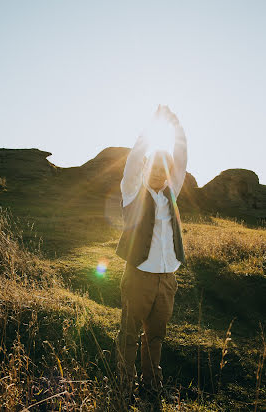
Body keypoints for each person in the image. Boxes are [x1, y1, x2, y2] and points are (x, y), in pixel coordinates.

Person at [115, 104, 188, 405]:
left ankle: (150, 387)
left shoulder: (172, 195)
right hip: (139, 278)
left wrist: (176, 126)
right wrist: (149, 129)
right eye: (154, 167)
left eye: (164, 169)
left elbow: (181, 162)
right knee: (129, 335)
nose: (159, 172)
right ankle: (122, 387)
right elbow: (132, 163)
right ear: (146, 169)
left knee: (155, 339)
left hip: (167, 280)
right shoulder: (132, 193)